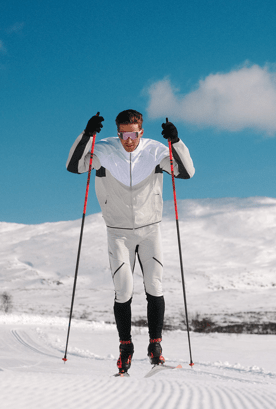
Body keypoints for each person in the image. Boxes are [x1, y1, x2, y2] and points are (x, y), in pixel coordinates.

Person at [66, 110, 195, 375]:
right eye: (123, 134)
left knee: (154, 286)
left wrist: (177, 141)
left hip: (150, 231)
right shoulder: (103, 150)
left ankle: (155, 346)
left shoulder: (156, 151)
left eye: (133, 134)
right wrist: (87, 135)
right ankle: (126, 348)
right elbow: (74, 166)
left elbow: (186, 173)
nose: (128, 140)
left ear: (141, 132)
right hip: (118, 232)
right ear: (118, 132)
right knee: (123, 290)